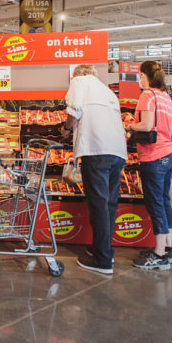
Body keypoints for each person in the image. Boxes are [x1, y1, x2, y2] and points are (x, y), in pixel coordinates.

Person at [63, 64, 127, 275]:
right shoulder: (107, 91)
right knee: (108, 204)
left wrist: (65, 128)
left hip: (96, 149)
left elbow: (74, 110)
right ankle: (104, 250)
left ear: (76, 75)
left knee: (98, 205)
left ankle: (102, 260)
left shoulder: (78, 82)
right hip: (117, 152)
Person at [125, 61, 172, 270]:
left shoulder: (147, 95)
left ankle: (158, 255)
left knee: (155, 205)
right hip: (169, 154)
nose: (139, 78)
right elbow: (169, 130)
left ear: (145, 76)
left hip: (154, 157)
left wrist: (129, 125)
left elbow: (146, 125)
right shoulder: (166, 98)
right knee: (164, 201)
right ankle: (167, 249)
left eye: (139, 75)